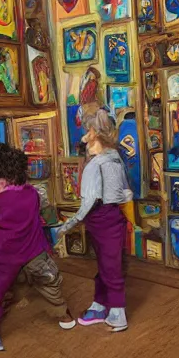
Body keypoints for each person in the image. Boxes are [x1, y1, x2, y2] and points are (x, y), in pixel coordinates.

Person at [0, 143, 76, 352]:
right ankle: (66, 318)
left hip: (4, 261)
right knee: (49, 286)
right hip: (35, 253)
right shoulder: (32, 194)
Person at [56, 106, 132, 332]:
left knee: (111, 267)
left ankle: (117, 312)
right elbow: (126, 191)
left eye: (88, 131)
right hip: (110, 218)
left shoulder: (95, 165)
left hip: (101, 218)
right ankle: (100, 304)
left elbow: (89, 200)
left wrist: (67, 225)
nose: (84, 137)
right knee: (106, 265)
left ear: (96, 133)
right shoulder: (115, 158)